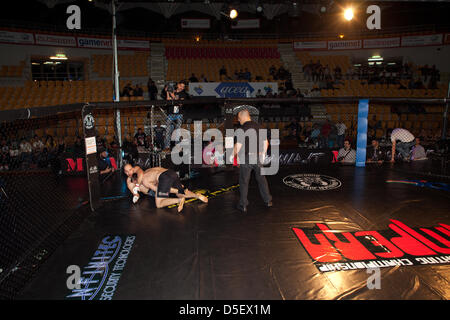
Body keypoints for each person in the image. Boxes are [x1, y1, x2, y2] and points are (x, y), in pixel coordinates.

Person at [233, 109, 272, 213]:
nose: (238, 120)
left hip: (246, 158)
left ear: (242, 117)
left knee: (244, 181)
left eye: (238, 118)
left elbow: (238, 146)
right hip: (258, 157)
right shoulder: (260, 127)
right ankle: (268, 201)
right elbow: (266, 143)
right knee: (262, 180)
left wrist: (231, 156)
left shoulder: (242, 129)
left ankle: (243, 205)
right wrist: (262, 154)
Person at [123, 164, 208, 212]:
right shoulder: (146, 172)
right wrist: (135, 195)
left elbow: (158, 189)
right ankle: (196, 195)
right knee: (179, 193)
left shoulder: (143, 178)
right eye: (127, 171)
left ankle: (179, 200)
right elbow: (135, 193)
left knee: (159, 204)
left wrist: (174, 190)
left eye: (130, 170)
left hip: (161, 180)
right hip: (171, 173)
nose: (129, 172)